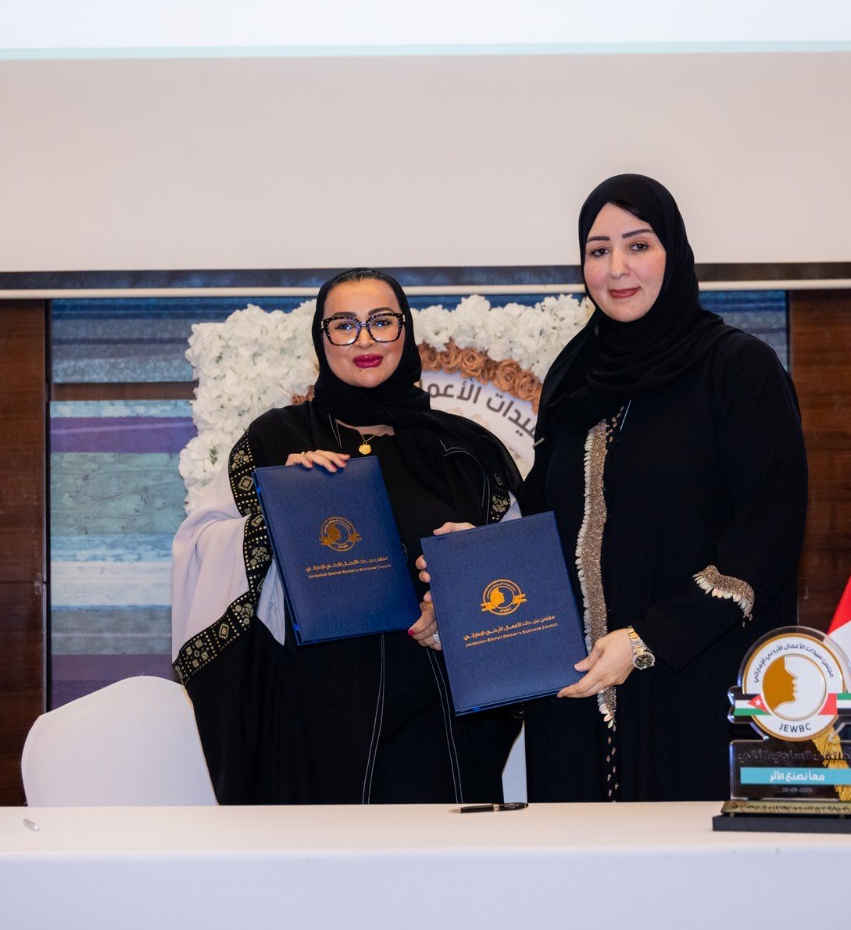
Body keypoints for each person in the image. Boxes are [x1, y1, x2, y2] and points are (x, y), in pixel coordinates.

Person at [171, 268, 523, 804]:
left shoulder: (467, 451)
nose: (364, 340)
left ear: (405, 330)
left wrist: (465, 588)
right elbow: (202, 550)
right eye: (344, 324)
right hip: (311, 710)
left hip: (438, 712)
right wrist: (285, 506)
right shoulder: (274, 439)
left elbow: (524, 578)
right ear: (322, 338)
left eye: (381, 322)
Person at [519, 173, 808, 801]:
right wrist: (473, 557)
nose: (617, 268)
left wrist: (647, 639)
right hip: (575, 699)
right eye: (598, 250)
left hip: (696, 687)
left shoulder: (737, 368)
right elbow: (543, 518)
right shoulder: (572, 378)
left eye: (638, 245)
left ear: (672, 252)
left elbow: (767, 534)